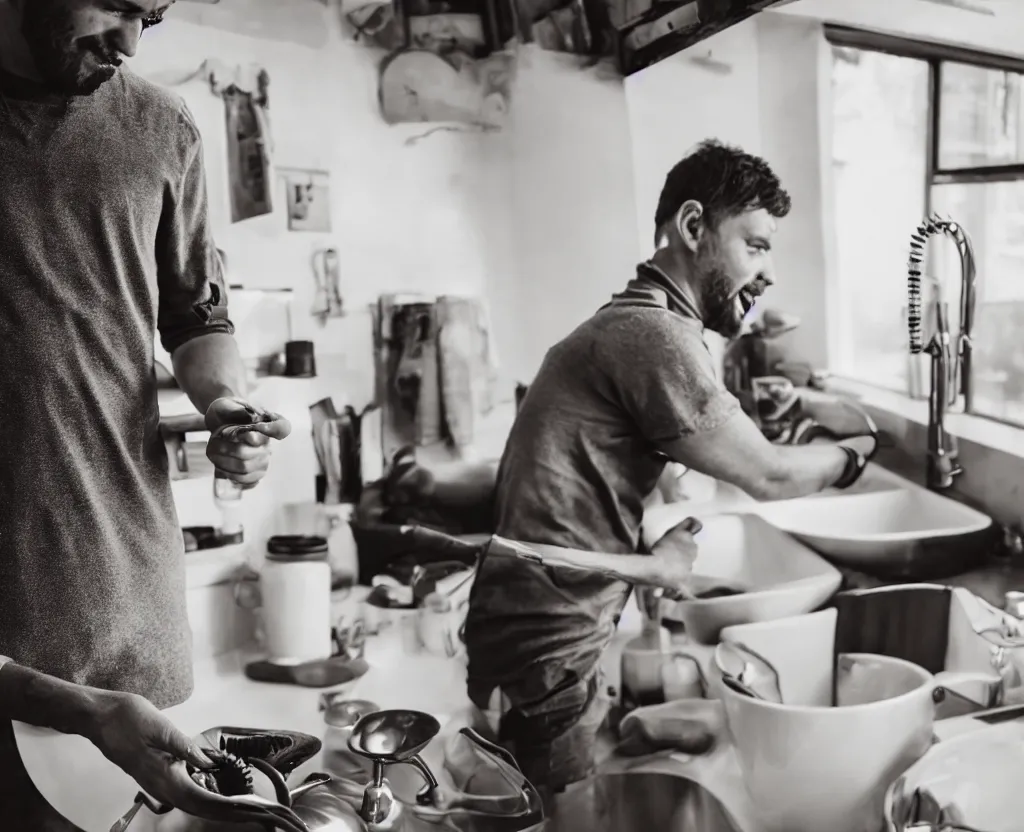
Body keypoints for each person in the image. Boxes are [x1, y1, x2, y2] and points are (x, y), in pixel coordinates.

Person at [461, 140, 875, 811]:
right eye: (755, 245)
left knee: (528, 806)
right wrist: (855, 450)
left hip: (530, 629)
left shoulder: (627, 324)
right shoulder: (655, 336)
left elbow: (592, 482)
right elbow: (768, 476)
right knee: (555, 818)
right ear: (691, 227)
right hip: (551, 642)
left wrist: (660, 557)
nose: (767, 272)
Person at [0, 0, 294, 826]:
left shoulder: (165, 128)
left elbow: (199, 320)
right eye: (118, 4)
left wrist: (227, 405)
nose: (129, 43)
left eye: (152, 18)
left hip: (130, 594)